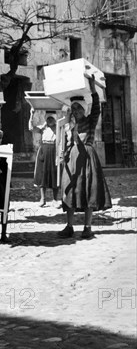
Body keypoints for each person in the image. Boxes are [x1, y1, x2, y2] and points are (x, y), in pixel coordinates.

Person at [58, 76, 112, 239]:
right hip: (73, 159)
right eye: (74, 109)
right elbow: (66, 142)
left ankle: (87, 227)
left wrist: (94, 90)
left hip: (88, 158)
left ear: (84, 109)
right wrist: (63, 153)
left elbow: (97, 108)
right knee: (70, 190)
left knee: (89, 190)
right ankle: (69, 226)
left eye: (79, 108)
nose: (76, 111)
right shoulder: (70, 126)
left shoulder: (90, 121)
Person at [29, 109, 60, 208]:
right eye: (48, 118)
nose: (50, 120)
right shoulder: (43, 128)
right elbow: (31, 128)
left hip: (54, 150)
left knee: (55, 174)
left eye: (52, 118)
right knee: (42, 174)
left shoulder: (59, 128)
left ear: (55, 119)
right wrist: (31, 114)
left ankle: (55, 199)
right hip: (43, 150)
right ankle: (43, 199)